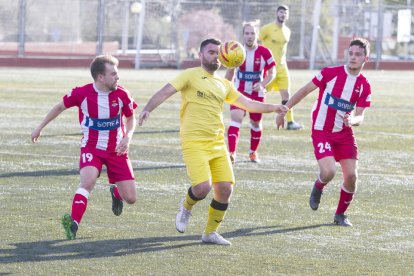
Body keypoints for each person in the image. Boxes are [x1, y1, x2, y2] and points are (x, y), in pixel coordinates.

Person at [139, 38, 288, 245]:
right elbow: (166, 91)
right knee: (202, 188)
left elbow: (248, 103)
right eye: (210, 52)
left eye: (218, 52)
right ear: (200, 55)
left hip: (217, 143)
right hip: (194, 142)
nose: (215, 56)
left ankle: (210, 233)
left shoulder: (224, 84)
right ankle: (186, 207)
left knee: (226, 189)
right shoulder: (190, 75)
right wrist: (148, 109)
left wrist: (274, 107)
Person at [31, 55, 138, 240]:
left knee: (131, 198)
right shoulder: (82, 93)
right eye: (113, 74)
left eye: (117, 74)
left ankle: (115, 190)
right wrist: (40, 127)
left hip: (117, 150)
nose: (117, 77)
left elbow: (130, 118)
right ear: (100, 77)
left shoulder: (122, 94)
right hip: (91, 148)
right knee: (87, 182)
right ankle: (74, 223)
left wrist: (127, 137)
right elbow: (59, 107)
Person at [276, 37, 372, 226]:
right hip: (322, 130)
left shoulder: (364, 85)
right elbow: (304, 91)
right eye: (350, 53)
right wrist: (284, 109)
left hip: (344, 134)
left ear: (365, 59)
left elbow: (360, 116)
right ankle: (319, 185)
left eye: (358, 55)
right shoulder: (330, 73)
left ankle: (340, 215)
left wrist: (352, 120)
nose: (353, 57)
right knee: (329, 171)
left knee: (352, 177)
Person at [226, 21, 276, 164]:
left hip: (257, 94)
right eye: (247, 33)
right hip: (239, 91)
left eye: (252, 33)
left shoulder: (264, 52)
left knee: (255, 123)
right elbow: (230, 71)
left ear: (257, 34)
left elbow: (272, 72)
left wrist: (262, 84)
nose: (249, 36)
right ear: (243, 34)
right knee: (236, 119)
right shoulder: (236, 51)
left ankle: (253, 152)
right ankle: (231, 154)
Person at [259, 5, 303, 130]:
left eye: (285, 13)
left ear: (287, 16)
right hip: (269, 68)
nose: (283, 14)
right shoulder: (267, 29)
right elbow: (256, 43)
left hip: (283, 67)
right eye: (281, 12)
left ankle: (290, 122)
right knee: (259, 93)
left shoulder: (287, 31)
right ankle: (253, 118)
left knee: (286, 95)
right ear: (276, 13)